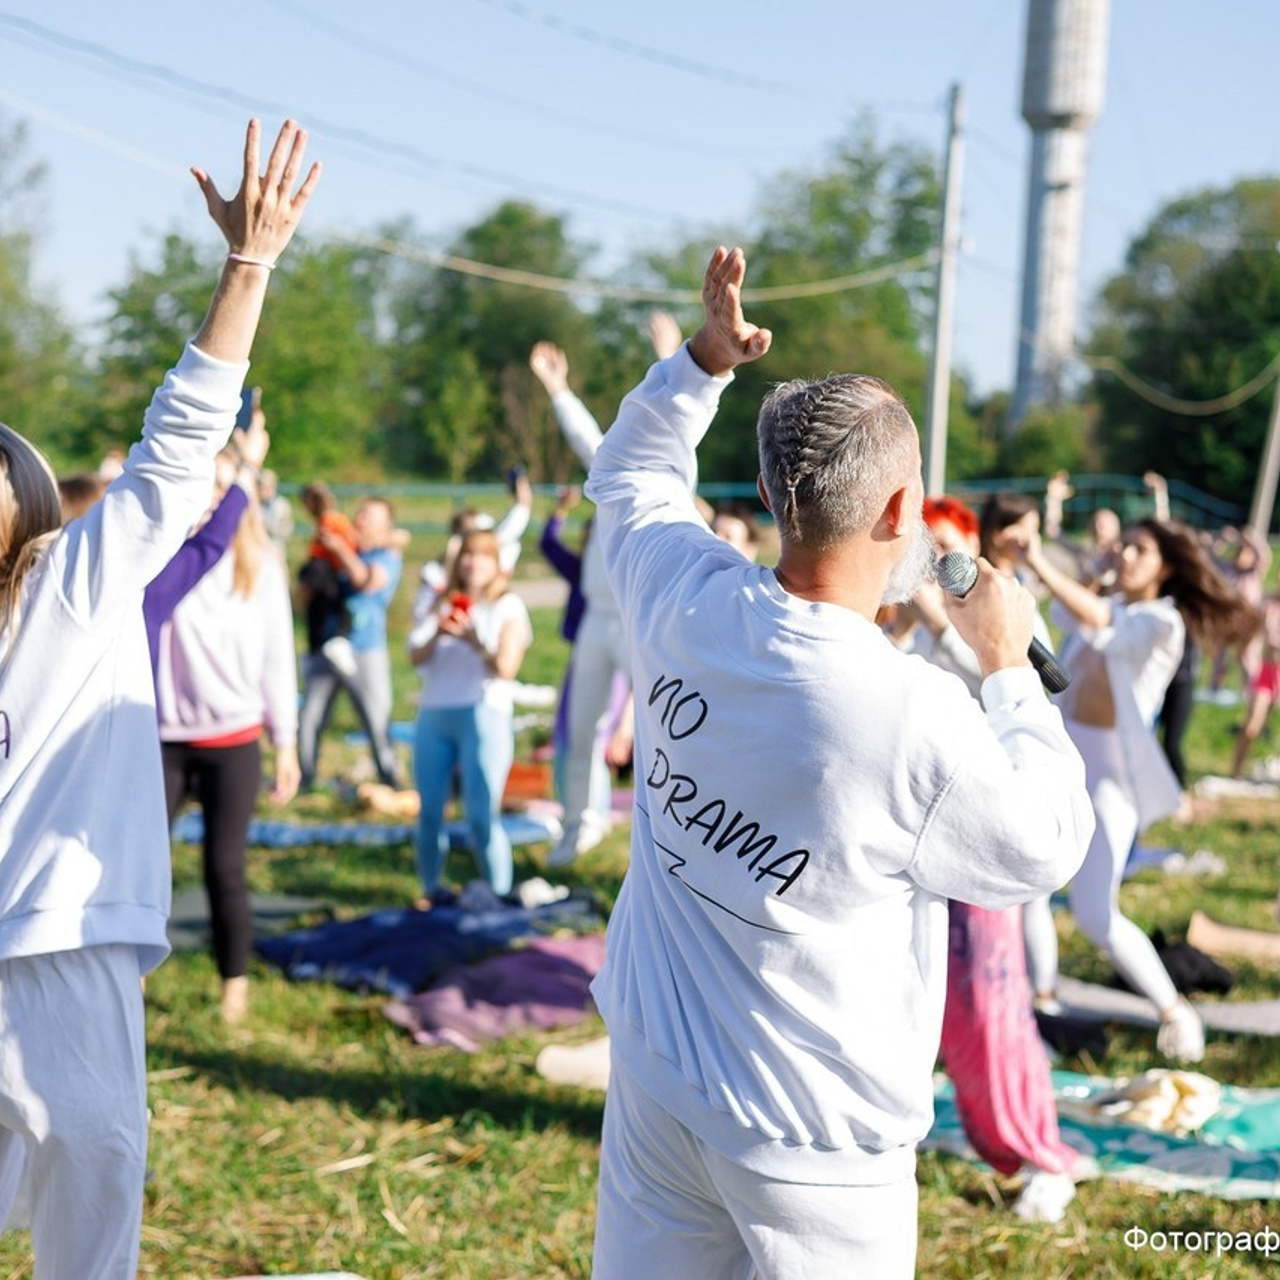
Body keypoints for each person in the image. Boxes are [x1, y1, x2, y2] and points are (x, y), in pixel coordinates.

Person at [585, 246, 1093, 1278]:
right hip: (811, 1134)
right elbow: (1040, 847)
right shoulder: (913, 712)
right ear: (902, 512)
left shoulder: (682, 591)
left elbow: (632, 472)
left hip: (654, 1075)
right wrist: (1004, 669)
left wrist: (701, 363)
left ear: (771, 491)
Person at [0, 118, 318, 1278]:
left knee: (90, 1221)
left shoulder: (70, 592)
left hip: (63, 947)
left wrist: (248, 266)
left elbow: (178, 446)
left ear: (30, 513)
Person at [1016, 517, 1257, 1062]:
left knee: (1097, 916)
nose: (1124, 555)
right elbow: (1062, 617)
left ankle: (1175, 1011)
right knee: (1030, 888)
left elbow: (1095, 619)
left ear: (1167, 567)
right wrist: (1090, 574)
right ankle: (1044, 1005)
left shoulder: (1162, 623)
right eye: (1123, 545)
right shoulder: (1117, 606)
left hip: (1111, 784)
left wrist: (1040, 562)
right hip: (1062, 767)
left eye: (1138, 550)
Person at [907, 496, 1078, 1223]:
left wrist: (935, 612)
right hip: (916, 837)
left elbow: (1012, 691)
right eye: (923, 547)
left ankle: (1040, 1153)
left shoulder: (1008, 611)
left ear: (972, 551)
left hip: (983, 836)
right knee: (922, 1001)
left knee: (991, 1003)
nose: (932, 561)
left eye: (945, 549)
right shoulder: (904, 622)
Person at [156, 433, 302, 1023]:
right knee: (140, 863)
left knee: (224, 864)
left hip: (233, 739)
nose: (214, 499)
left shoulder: (260, 566)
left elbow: (277, 658)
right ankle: (133, 977)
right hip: (162, 736)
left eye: (224, 487)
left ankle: (232, 986)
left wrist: (286, 741)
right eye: (206, 486)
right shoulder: (164, 560)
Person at [530, 317, 683, 867]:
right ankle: (577, 827)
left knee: (664, 737)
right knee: (578, 731)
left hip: (639, 622)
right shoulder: (611, 472)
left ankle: (667, 845)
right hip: (597, 620)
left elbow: (679, 416)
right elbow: (583, 436)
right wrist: (558, 390)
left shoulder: (669, 478)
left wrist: (671, 360)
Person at [407, 527, 532, 903]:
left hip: (483, 714)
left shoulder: (507, 605)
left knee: (481, 816)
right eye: (467, 554)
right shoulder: (439, 602)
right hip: (434, 714)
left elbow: (506, 667)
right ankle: (431, 891)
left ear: (496, 563)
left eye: (482, 555)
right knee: (429, 813)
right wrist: (438, 635)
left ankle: (498, 896)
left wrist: (475, 642)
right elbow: (415, 657)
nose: (472, 562)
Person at [297, 496, 404, 792]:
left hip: (364, 649)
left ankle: (389, 777)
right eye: (360, 514)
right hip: (326, 647)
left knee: (376, 718)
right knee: (311, 717)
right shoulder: (343, 547)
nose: (360, 520)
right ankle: (304, 779)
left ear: (385, 526)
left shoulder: (386, 557)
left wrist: (340, 550)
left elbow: (365, 580)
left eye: (369, 516)